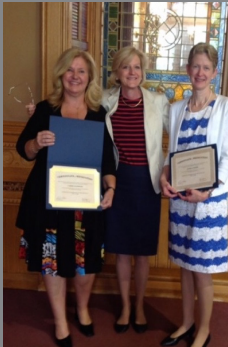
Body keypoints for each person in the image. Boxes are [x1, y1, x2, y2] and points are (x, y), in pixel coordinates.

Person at [16, 47, 116, 347]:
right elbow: (24, 149)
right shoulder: (46, 110)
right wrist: (37, 141)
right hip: (48, 202)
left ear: (89, 78)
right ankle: (60, 322)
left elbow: (107, 161)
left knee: (85, 266)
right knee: (52, 262)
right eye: (70, 70)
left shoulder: (99, 114)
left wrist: (111, 189)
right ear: (62, 74)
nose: (75, 76)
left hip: (86, 204)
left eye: (81, 71)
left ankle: (82, 310)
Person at [160, 42, 228, 347]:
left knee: (202, 270)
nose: (200, 72)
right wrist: (165, 177)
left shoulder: (225, 106)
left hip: (208, 201)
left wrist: (207, 193)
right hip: (181, 199)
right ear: (187, 70)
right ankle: (186, 322)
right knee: (184, 265)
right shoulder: (176, 108)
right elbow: (171, 154)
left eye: (206, 67)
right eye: (195, 66)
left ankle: (203, 330)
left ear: (214, 72)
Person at [101, 46, 170, 334]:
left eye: (137, 67)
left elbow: (178, 130)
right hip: (118, 181)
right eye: (126, 67)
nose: (132, 72)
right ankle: (125, 307)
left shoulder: (158, 101)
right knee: (120, 250)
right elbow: (74, 109)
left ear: (143, 72)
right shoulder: (104, 101)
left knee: (142, 252)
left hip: (147, 182)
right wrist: (38, 114)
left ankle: (139, 305)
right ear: (117, 73)